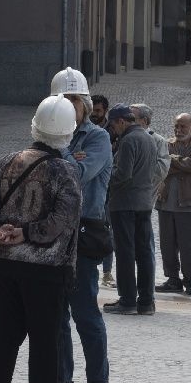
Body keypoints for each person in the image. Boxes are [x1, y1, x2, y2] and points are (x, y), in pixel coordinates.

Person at [0, 96, 83, 383]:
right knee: (44, 336)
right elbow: (63, 219)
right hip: (45, 266)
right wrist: (28, 233)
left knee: (5, 330)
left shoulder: (8, 160)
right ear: (68, 133)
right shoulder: (65, 170)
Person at [51, 67, 116, 383]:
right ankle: (62, 382)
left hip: (85, 231)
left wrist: (53, 155)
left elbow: (75, 173)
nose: (67, 106)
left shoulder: (97, 139)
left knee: (85, 312)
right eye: (61, 100)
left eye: (73, 100)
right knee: (56, 312)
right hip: (54, 233)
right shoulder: (54, 139)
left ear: (85, 104)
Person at [104, 105, 157, 315]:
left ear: (121, 121)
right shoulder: (148, 138)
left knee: (125, 253)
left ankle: (127, 300)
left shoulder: (128, 140)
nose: (113, 130)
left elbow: (123, 175)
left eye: (113, 125)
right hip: (144, 203)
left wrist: (105, 181)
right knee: (144, 253)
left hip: (125, 204)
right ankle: (146, 301)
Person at [156, 114, 191, 296]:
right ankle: (172, 279)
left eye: (183, 127)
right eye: (176, 127)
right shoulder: (167, 144)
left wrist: (172, 160)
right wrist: (180, 162)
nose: (178, 130)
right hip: (165, 201)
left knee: (188, 244)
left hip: (190, 203)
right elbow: (161, 166)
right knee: (167, 244)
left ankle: (189, 280)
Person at [90, 95, 114, 286]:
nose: (94, 115)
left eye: (98, 111)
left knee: (106, 230)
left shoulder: (112, 131)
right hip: (87, 185)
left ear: (105, 111)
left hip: (108, 188)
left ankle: (107, 272)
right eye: (92, 110)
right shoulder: (83, 129)